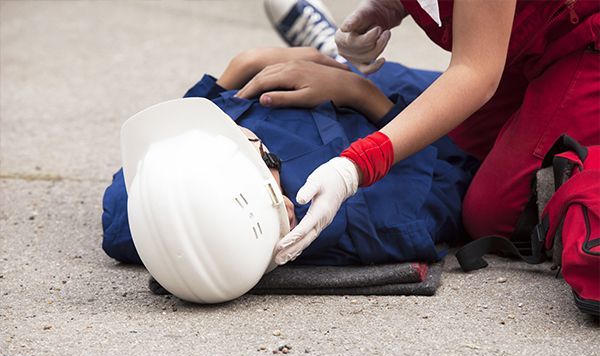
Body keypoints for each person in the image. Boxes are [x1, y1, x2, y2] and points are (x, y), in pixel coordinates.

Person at [262, 0, 600, 264]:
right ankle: (345, 68)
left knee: (495, 215)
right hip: (521, 42)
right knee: (448, 151)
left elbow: (475, 74)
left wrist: (355, 167)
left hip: (581, 42)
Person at [102, 47, 477, 268]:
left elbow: (173, 136)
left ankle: (324, 49)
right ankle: (334, 50)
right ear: (282, 206)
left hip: (287, 75)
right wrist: (361, 93)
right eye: (257, 154)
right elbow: (454, 164)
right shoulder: (375, 220)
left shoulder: (135, 214)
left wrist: (240, 68)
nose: (242, 134)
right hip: (395, 102)